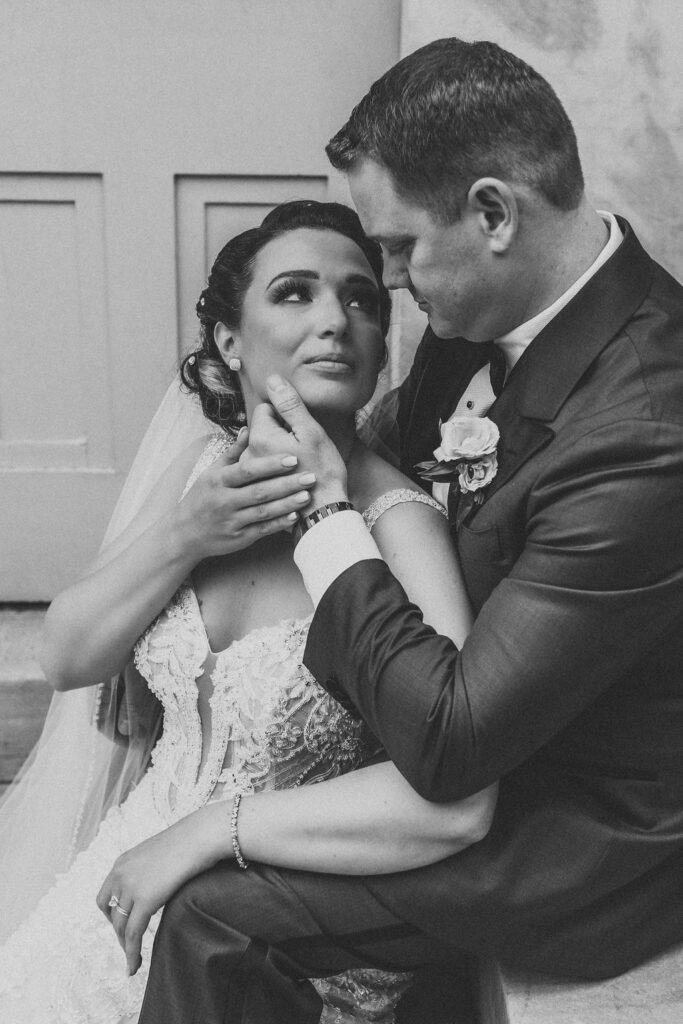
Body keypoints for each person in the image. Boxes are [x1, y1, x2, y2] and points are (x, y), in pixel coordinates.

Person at [136, 35, 683, 1024]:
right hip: (468, 739)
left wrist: (324, 512)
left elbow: (454, 742)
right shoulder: (477, 321)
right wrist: (179, 612)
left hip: (578, 828)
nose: (381, 284)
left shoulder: (644, 431)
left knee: (214, 916)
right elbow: (378, 448)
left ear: (490, 213)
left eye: (394, 249)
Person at [0, 199, 497, 1024]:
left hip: (272, 942)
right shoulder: (202, 474)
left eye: (361, 299)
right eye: (295, 293)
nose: (335, 319)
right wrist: (183, 538)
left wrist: (208, 832)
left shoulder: (400, 527)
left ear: (381, 347)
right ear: (230, 341)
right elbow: (65, 658)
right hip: (114, 888)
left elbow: (456, 790)